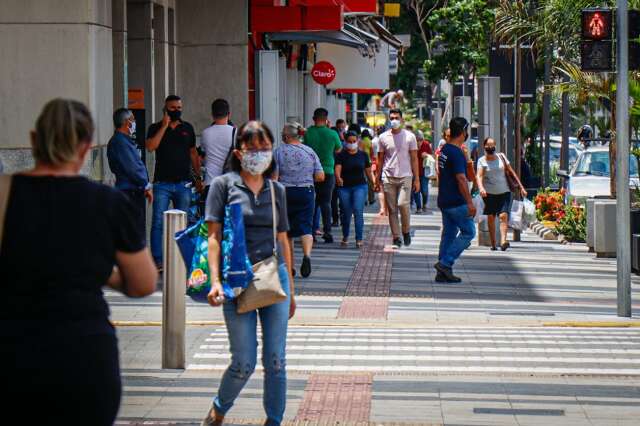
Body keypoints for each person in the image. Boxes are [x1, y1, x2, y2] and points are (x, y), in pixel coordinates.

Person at [1, 99, 157, 425]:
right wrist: (99, 269)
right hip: (86, 353)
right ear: (86, 147)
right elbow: (143, 283)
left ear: (34, 139)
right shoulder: (109, 203)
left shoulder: (5, 194)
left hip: (16, 350)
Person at [202, 121, 295, 426]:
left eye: (265, 148)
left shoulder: (276, 189)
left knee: (276, 361)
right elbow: (212, 237)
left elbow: (283, 239)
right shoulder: (223, 186)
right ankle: (219, 408)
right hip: (236, 280)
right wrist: (214, 281)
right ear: (238, 153)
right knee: (243, 362)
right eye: (252, 148)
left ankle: (274, 420)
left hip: (273, 277)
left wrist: (291, 289)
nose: (259, 154)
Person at [146, 95, 202, 269]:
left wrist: (198, 178)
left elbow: (193, 153)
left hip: (183, 184)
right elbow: (150, 147)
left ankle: (181, 258)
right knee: (158, 222)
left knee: (183, 223)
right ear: (165, 109)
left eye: (179, 107)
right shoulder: (155, 128)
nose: (177, 110)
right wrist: (164, 125)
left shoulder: (187, 128)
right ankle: (158, 260)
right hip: (162, 183)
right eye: (173, 108)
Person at [273, 123, 325, 278]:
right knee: (306, 228)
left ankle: (290, 266)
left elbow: (274, 178)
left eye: (283, 133)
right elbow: (320, 176)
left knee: (286, 230)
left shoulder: (278, 152)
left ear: (287, 136)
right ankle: (307, 256)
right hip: (306, 192)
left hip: (284, 192)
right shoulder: (309, 152)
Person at [435, 117, 477, 283]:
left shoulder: (444, 149)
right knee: (469, 232)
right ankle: (445, 263)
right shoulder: (456, 152)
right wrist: (469, 202)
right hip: (456, 201)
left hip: (444, 199)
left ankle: (442, 273)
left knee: (449, 235)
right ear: (464, 131)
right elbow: (461, 179)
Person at [375, 109, 420, 248]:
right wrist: (377, 178)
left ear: (402, 119)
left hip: (406, 176)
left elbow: (414, 159)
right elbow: (380, 159)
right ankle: (396, 237)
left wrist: (417, 179)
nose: (394, 120)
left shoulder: (410, 137)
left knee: (403, 205)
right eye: (392, 117)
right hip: (388, 177)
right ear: (389, 119)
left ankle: (406, 231)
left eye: (397, 117)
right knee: (392, 209)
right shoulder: (382, 137)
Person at [107, 108, 153, 235]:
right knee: (133, 231)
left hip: (132, 191)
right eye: (133, 120)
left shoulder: (123, 140)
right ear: (127, 122)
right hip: (129, 192)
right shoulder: (120, 142)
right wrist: (146, 184)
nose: (134, 123)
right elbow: (132, 168)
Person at [477, 137, 528, 251]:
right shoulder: (482, 161)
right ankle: (494, 243)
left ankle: (504, 241)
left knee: (503, 216)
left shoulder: (501, 157)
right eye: (488, 146)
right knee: (491, 217)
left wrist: (521, 187)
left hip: (504, 192)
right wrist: (481, 188)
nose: (490, 148)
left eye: (492, 145)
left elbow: (511, 172)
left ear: (495, 146)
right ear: (484, 147)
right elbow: (479, 176)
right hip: (489, 194)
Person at [304, 108, 342, 243]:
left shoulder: (308, 132)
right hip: (328, 172)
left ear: (314, 118)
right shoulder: (332, 133)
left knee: (311, 203)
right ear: (326, 119)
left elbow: (303, 148)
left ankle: (311, 232)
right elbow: (338, 149)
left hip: (311, 172)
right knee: (326, 203)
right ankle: (327, 232)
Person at [335, 131, 375, 248]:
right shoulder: (341, 155)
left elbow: (368, 171)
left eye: (354, 141)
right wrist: (338, 178)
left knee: (358, 211)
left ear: (357, 141)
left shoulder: (363, 155)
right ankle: (345, 236)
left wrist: (373, 183)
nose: (352, 144)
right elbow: (337, 168)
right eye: (349, 142)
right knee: (346, 213)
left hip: (360, 186)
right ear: (345, 142)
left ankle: (359, 239)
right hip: (344, 188)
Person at [201, 98, 236, 195]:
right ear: (229, 114)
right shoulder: (235, 132)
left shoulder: (205, 133)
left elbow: (203, 154)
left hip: (211, 183)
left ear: (212, 114)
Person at [413, 130, 433, 212]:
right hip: (414, 171)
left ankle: (424, 204)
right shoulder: (411, 145)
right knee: (416, 190)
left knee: (424, 190)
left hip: (424, 172)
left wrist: (427, 155)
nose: (419, 142)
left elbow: (431, 156)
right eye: (417, 140)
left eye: (420, 140)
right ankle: (418, 207)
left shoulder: (426, 144)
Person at [372, 126, 387, 216]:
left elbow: (371, 154)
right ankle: (387, 210)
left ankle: (382, 208)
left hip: (376, 164)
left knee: (380, 188)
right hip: (386, 164)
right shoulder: (386, 140)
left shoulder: (373, 141)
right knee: (387, 189)